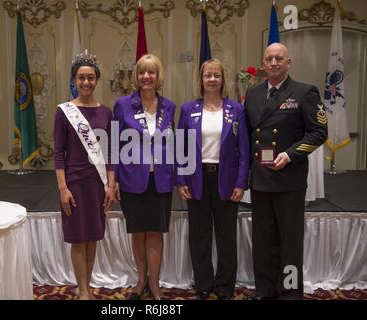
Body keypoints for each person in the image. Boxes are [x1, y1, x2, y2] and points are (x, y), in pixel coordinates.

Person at [244, 43, 328, 300]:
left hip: (288, 180)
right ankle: (265, 291)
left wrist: (290, 155)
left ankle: (289, 292)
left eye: (279, 58)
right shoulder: (253, 93)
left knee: (289, 243)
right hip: (260, 179)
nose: (273, 63)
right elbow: (249, 135)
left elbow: (319, 133)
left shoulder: (304, 92)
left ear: (288, 62)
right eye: (269, 59)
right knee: (263, 241)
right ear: (263, 63)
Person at [176, 59, 250, 300]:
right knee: (199, 235)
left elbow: (244, 150)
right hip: (196, 179)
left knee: (226, 234)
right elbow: (181, 147)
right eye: (207, 75)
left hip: (226, 180)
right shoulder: (188, 109)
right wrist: (181, 180)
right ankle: (203, 284)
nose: (212, 79)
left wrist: (241, 183)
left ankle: (225, 286)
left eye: (216, 75)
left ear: (223, 79)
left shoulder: (236, 109)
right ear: (201, 79)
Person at [54, 51, 116, 300]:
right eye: (81, 78)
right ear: (74, 80)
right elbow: (58, 153)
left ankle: (87, 286)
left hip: (98, 184)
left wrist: (111, 186)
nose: (86, 82)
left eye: (90, 77)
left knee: (92, 237)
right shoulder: (64, 111)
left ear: (97, 80)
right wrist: (62, 188)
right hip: (74, 183)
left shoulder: (106, 112)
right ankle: (82, 289)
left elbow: (112, 152)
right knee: (79, 238)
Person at [113, 54, 176, 300]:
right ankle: (140, 282)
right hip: (132, 180)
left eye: (151, 72)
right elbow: (115, 144)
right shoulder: (123, 105)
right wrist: (114, 180)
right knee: (138, 232)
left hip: (160, 180)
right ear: (136, 77)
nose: (146, 77)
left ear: (159, 76)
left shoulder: (170, 106)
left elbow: (175, 144)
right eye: (142, 72)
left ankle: (155, 285)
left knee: (156, 232)